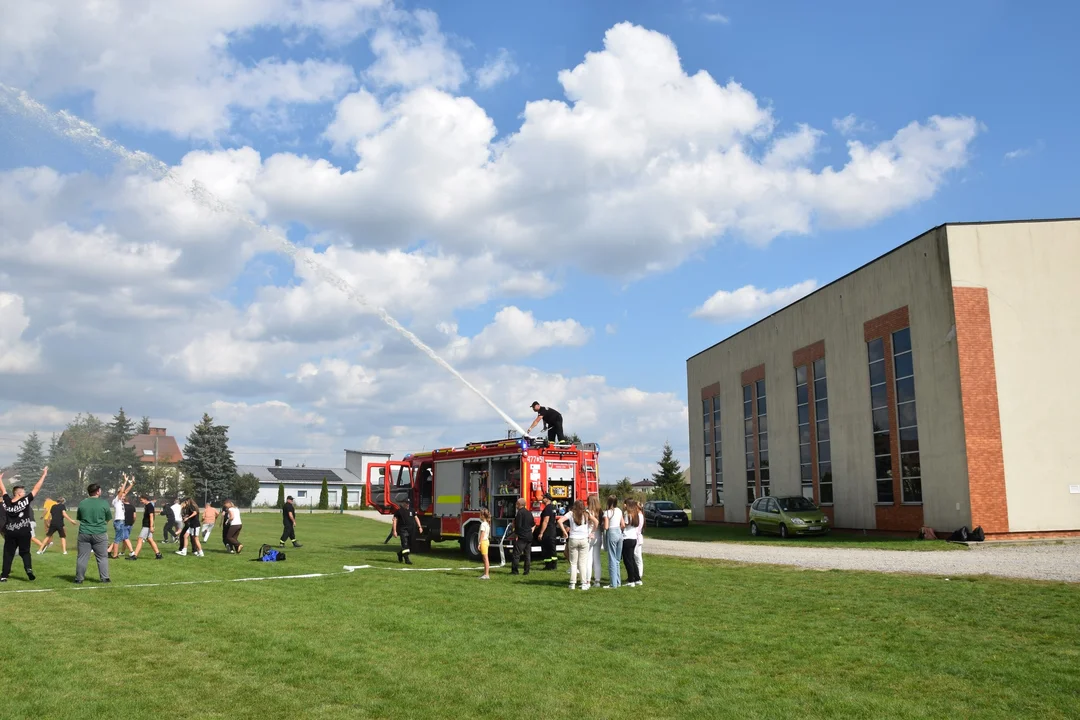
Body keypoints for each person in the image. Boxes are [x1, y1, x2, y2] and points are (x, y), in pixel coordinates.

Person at [0, 468, 49, 582]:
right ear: (19, 493)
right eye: (23, 491)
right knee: (25, 552)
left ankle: (4, 576)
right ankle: (29, 570)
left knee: (8, 554)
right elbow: (36, 488)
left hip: (10, 532)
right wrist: (44, 475)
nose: (24, 493)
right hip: (24, 532)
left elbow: (3, 490)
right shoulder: (25, 500)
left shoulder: (7, 501)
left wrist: (0, 479)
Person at [75, 483, 113, 584]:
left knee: (82, 557)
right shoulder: (104, 503)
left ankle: (79, 579)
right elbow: (108, 517)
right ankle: (105, 578)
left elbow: (79, 517)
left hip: (84, 532)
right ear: (97, 491)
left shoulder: (82, 503)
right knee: (102, 557)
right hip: (100, 533)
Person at [557, 499, 596, 590]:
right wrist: (592, 532)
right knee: (582, 563)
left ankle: (572, 583)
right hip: (584, 539)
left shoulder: (571, 513)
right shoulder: (586, 514)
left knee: (573, 563)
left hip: (573, 539)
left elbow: (559, 521)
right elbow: (596, 522)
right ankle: (583, 583)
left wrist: (564, 532)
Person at [107, 476, 135, 559]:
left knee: (118, 538)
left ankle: (108, 551)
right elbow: (122, 491)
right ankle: (115, 555)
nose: (124, 497)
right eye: (122, 495)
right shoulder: (116, 500)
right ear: (119, 495)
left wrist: (132, 484)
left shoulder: (120, 501)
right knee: (117, 539)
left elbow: (125, 491)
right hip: (119, 521)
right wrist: (125, 481)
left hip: (121, 521)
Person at [128, 495, 163, 560]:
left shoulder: (149, 506)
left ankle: (135, 556)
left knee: (140, 539)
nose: (141, 501)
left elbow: (151, 516)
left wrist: (151, 526)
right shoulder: (147, 506)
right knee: (150, 540)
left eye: (141, 500)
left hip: (147, 526)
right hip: (146, 525)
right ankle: (158, 554)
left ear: (145, 499)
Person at [602, 495, 625, 589]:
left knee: (611, 558)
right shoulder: (619, 510)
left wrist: (603, 525)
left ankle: (613, 584)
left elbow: (606, 527)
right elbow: (623, 524)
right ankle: (618, 582)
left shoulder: (606, 513)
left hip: (611, 532)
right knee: (617, 560)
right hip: (619, 532)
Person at [391, 498, 422, 565]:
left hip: (411, 530)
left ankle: (400, 554)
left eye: (408, 503)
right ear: (403, 503)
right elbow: (394, 520)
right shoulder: (399, 511)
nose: (407, 504)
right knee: (405, 545)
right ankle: (407, 560)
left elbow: (416, 518)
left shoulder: (412, 510)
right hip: (403, 530)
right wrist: (394, 531)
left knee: (410, 546)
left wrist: (420, 527)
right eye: (406, 503)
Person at [535, 492, 560, 570]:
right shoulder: (552, 508)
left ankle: (549, 565)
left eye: (543, 498)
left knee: (547, 549)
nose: (542, 499)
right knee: (552, 549)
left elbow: (545, 521)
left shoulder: (547, 509)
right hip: (552, 530)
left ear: (547, 499)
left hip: (548, 531)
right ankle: (552, 565)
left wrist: (541, 533)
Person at [622, 499, 643, 587]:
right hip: (634, 538)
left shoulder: (628, 514)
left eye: (625, 503)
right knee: (632, 559)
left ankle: (631, 580)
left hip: (627, 538)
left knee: (628, 560)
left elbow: (624, 525)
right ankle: (637, 578)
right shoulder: (636, 514)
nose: (624, 505)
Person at [510, 498, 533, 576]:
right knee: (527, 555)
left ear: (519, 504)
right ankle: (526, 571)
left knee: (516, 554)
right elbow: (533, 524)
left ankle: (515, 571)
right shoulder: (529, 513)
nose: (516, 505)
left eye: (516, 504)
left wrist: (516, 534)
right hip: (529, 536)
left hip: (521, 537)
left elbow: (518, 525)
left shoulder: (519, 513)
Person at [587, 494, 604, 588]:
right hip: (598, 535)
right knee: (597, 559)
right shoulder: (600, 512)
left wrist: (592, 531)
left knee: (588, 560)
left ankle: (588, 581)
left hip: (590, 534)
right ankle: (597, 581)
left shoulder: (588, 511)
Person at [478, 509, 491, 580]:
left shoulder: (483, 524)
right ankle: (485, 573)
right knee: (485, 558)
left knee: (485, 558)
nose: (479, 516)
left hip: (483, 542)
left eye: (480, 514)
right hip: (486, 541)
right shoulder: (487, 524)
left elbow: (482, 535)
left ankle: (486, 574)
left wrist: (479, 543)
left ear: (483, 516)